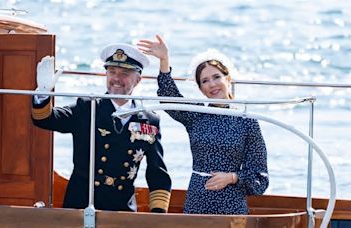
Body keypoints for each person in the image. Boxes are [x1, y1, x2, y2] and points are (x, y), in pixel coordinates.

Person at [31, 43, 172, 213]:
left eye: (124, 74)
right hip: (81, 205)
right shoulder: (87, 108)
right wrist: (44, 94)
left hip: (122, 209)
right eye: (112, 72)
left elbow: (157, 173)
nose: (116, 79)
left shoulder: (149, 121)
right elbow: (46, 120)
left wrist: (158, 215)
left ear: (138, 80)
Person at [137, 35, 268, 214]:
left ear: (228, 79)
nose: (212, 84)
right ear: (200, 88)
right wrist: (164, 59)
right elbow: (169, 96)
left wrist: (232, 177)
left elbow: (260, 176)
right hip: (197, 201)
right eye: (205, 81)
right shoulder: (197, 115)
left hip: (232, 205)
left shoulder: (247, 120)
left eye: (216, 77)